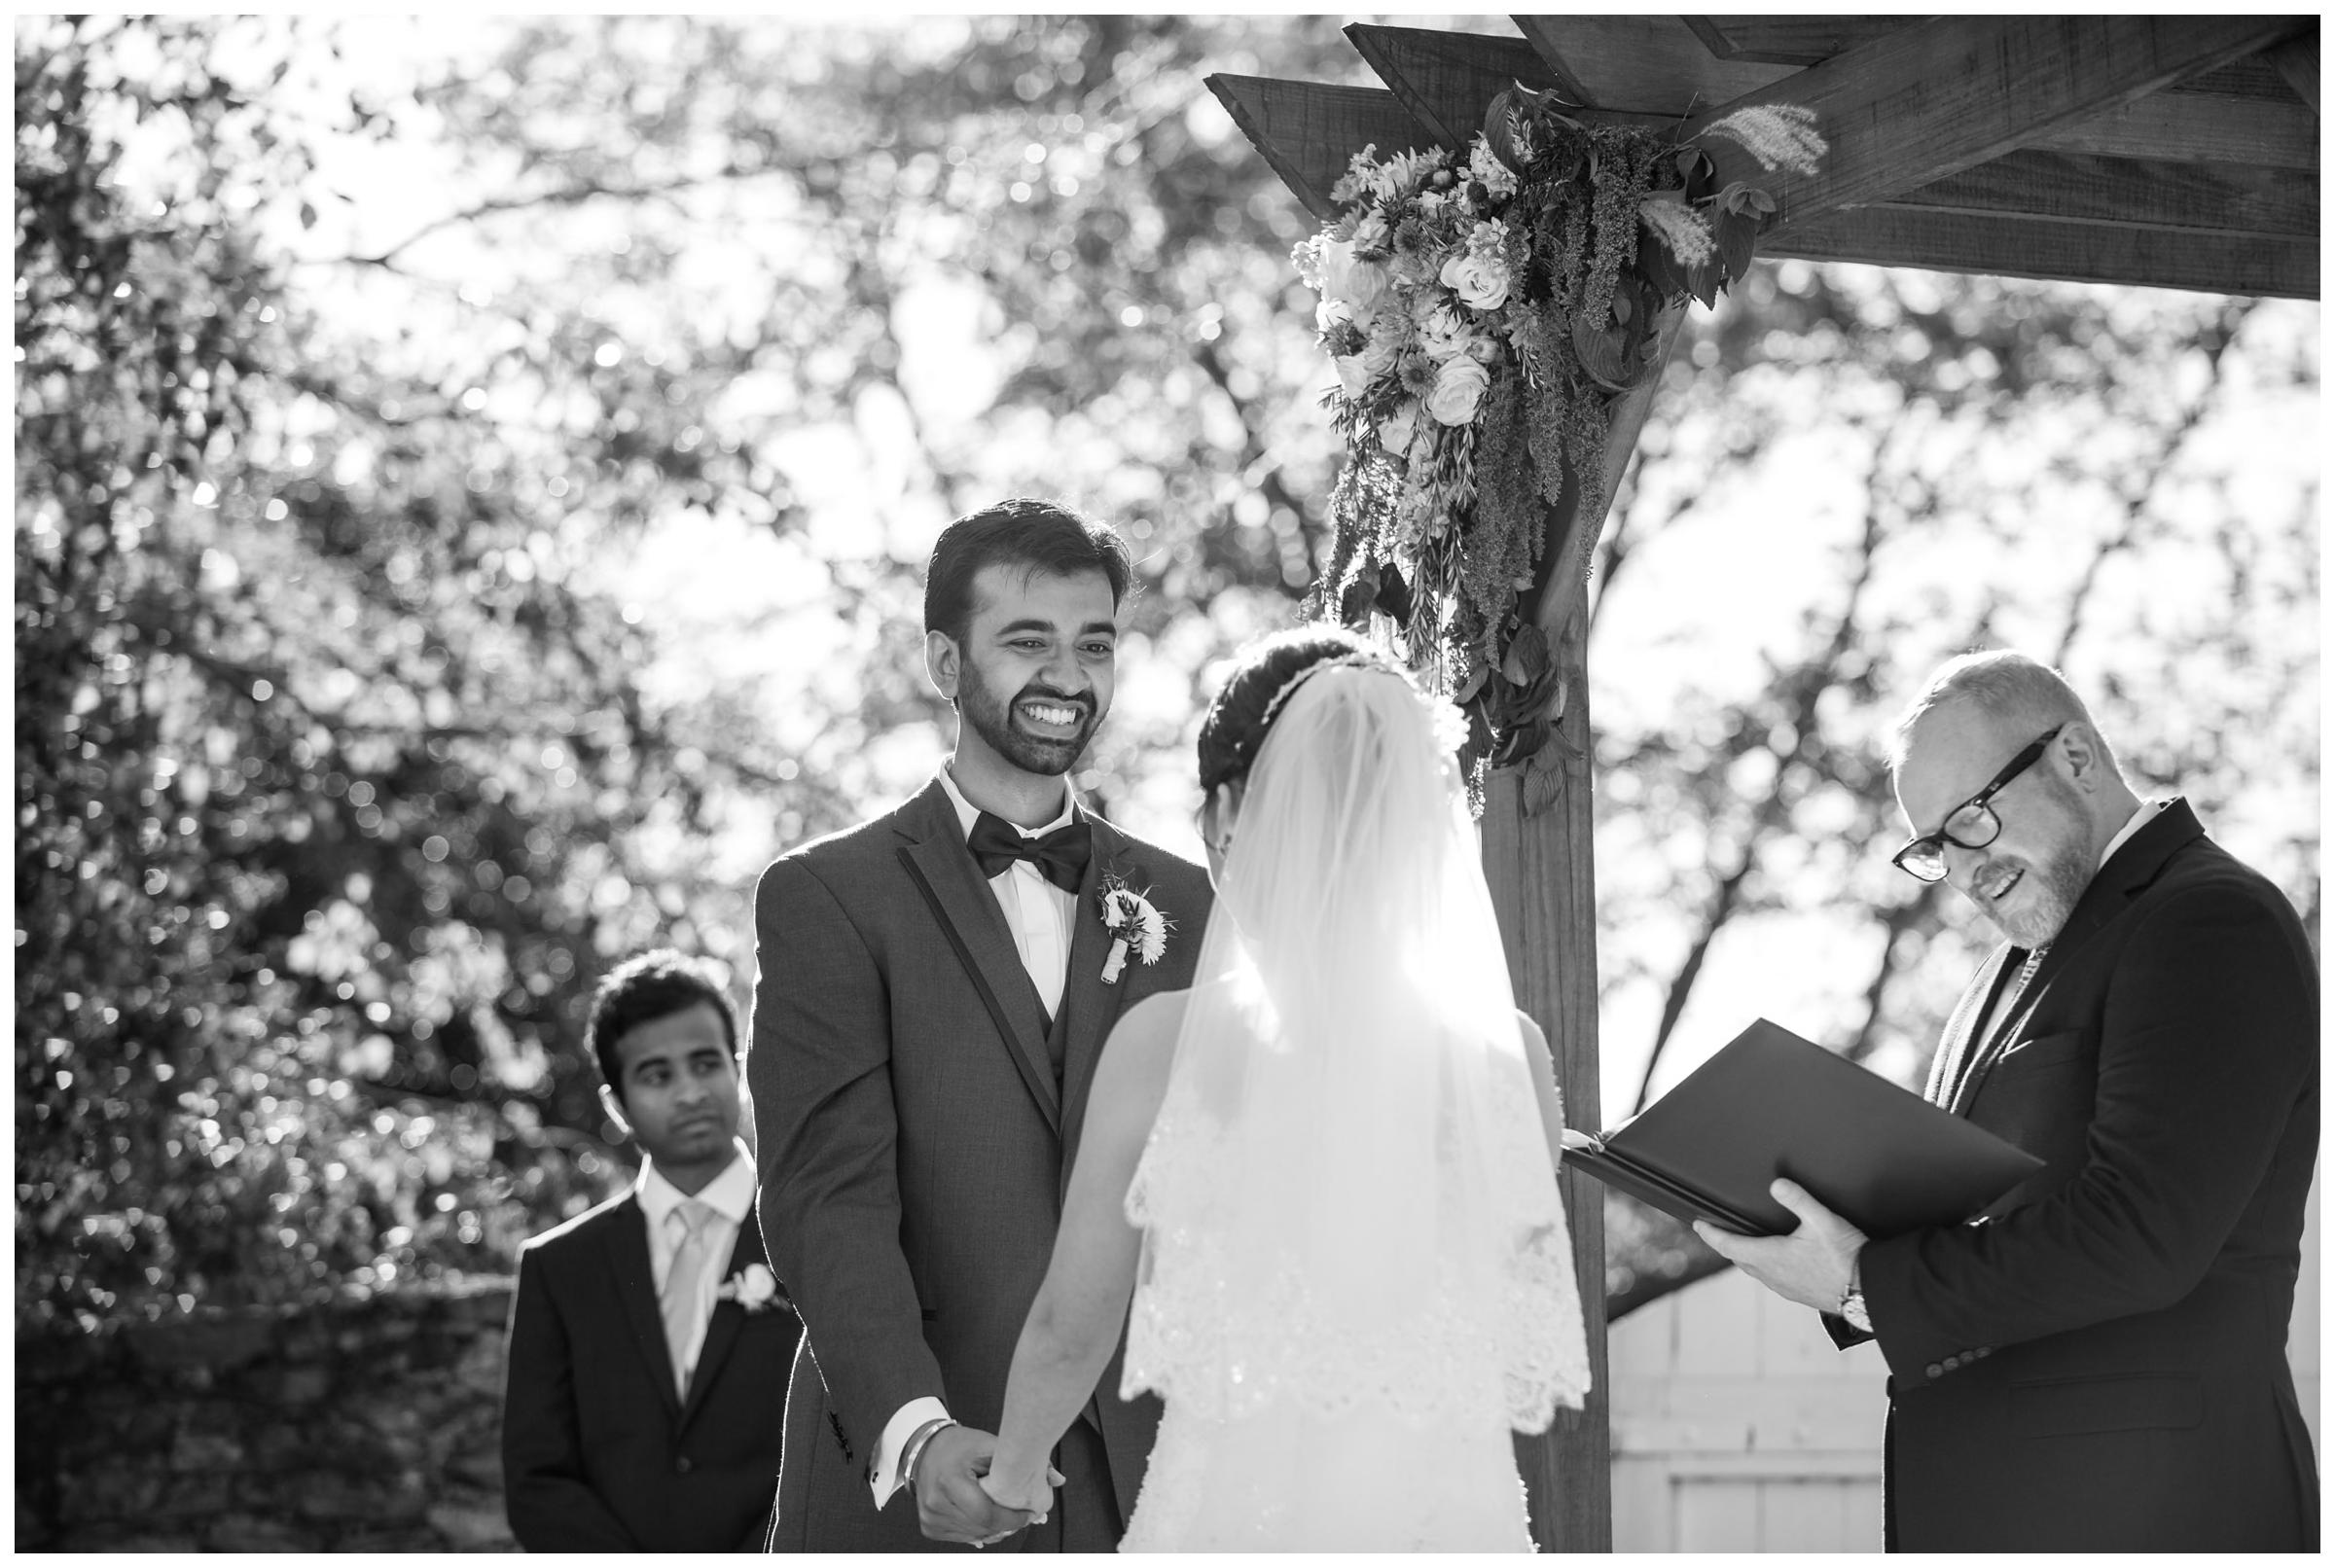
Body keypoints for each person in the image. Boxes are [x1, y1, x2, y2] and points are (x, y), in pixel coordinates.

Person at [975, 625, 1590, 1550]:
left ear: (1229, 815)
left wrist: (1012, 1477)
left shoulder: (1168, 1045)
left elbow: (1075, 1319)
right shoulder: (1510, 1062)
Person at [1698, 650, 2318, 1551]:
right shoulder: (2005, 969)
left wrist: (1864, 1284)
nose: (1962, 871)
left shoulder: (2209, 919)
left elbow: (2142, 1233)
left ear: (2074, 756)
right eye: (1934, 847)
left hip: (2154, 1514)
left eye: (1974, 819)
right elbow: (1984, 1206)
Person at [747, 497, 1215, 1550]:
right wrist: (914, 1433)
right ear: (947, 665)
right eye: (1027, 642)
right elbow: (828, 1198)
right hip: (921, 1482)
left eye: (1093, 644)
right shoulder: (830, 896)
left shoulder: (1192, 904)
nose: (1068, 677)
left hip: (1143, 1489)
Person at [502, 948, 800, 1551]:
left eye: (706, 1063)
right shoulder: (559, 1268)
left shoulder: (812, 1234)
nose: (690, 1092)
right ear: (617, 1103)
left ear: (738, 1068)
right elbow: (538, 1478)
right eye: (658, 1075)